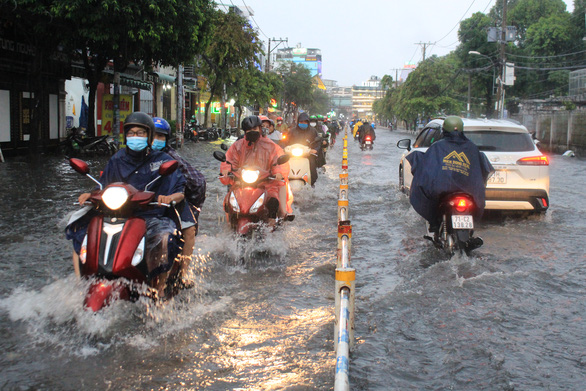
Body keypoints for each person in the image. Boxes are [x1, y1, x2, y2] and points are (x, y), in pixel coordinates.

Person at [67, 112, 186, 296]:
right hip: (118, 213)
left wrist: (169, 198)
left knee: (164, 237)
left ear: (149, 136)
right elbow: (105, 185)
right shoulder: (117, 159)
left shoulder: (161, 161)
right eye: (131, 133)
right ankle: (79, 284)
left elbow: (179, 190)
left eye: (140, 133)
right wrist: (91, 194)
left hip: (150, 215)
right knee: (80, 229)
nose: (135, 137)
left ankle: (159, 290)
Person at [406, 116, 494, 245]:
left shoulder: (437, 147)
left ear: (444, 130)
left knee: (431, 200)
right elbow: (481, 169)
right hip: (468, 191)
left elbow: (428, 167)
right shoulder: (472, 147)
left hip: (443, 191)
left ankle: (435, 226)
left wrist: (417, 159)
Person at [152, 117, 206, 286]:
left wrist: (191, 203)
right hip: (138, 201)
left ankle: (182, 274)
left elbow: (196, 181)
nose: (156, 139)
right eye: (153, 135)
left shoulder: (170, 157)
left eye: (161, 136)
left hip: (171, 199)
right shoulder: (130, 156)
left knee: (188, 231)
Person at [220, 115, 292, 221]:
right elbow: (229, 160)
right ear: (245, 131)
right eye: (249, 130)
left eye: (254, 129)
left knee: (273, 202)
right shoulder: (238, 146)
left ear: (259, 129)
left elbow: (278, 161)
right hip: (241, 183)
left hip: (266, 184)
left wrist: (278, 172)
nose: (252, 131)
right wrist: (226, 170)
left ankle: (271, 229)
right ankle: (229, 225)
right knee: (229, 202)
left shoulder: (270, 146)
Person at [286, 113, 326, 186]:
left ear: (308, 122)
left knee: (312, 166)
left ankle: (312, 183)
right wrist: (284, 148)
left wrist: (314, 149)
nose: (303, 123)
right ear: (298, 122)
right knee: (282, 164)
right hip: (292, 154)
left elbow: (317, 142)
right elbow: (285, 141)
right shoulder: (292, 131)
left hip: (308, 154)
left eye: (305, 122)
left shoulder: (313, 131)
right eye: (301, 122)